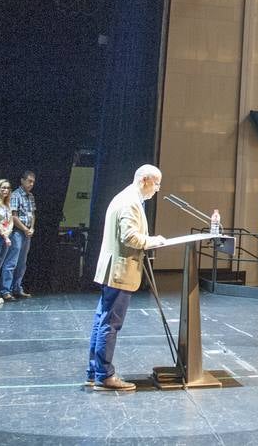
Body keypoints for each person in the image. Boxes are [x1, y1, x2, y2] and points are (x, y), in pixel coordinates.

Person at [88, 164, 167, 391]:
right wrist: (154, 241)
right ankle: (105, 375)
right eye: (157, 183)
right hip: (119, 271)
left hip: (113, 270)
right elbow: (129, 237)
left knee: (102, 321)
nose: (158, 189)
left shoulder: (127, 198)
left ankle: (94, 372)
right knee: (110, 323)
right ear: (144, 180)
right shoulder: (130, 201)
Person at [1, 170, 36, 299]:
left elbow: (32, 214)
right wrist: (25, 229)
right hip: (17, 232)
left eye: (33, 182)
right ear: (22, 180)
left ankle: (17, 287)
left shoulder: (30, 196)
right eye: (29, 181)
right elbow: (13, 216)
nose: (31, 184)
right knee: (12, 261)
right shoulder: (15, 195)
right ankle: (5, 290)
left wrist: (31, 228)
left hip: (27, 232)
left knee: (22, 262)